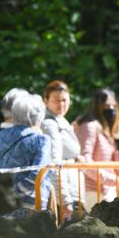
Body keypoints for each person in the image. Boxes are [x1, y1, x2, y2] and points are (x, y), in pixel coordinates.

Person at [0, 91, 53, 218]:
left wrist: (2, 193)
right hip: (30, 207)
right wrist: (17, 193)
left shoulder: (2, 135)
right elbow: (39, 173)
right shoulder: (42, 140)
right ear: (39, 116)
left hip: (3, 203)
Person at [74, 88, 119, 211]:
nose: (111, 109)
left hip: (107, 190)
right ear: (97, 107)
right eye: (106, 106)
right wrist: (114, 180)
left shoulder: (106, 131)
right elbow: (84, 162)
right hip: (93, 191)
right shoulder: (89, 127)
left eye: (113, 106)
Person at [40, 80, 83, 221]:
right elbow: (53, 163)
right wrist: (65, 200)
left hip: (71, 190)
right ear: (46, 101)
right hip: (63, 195)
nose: (61, 104)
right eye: (56, 100)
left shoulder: (61, 121)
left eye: (64, 100)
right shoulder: (49, 125)